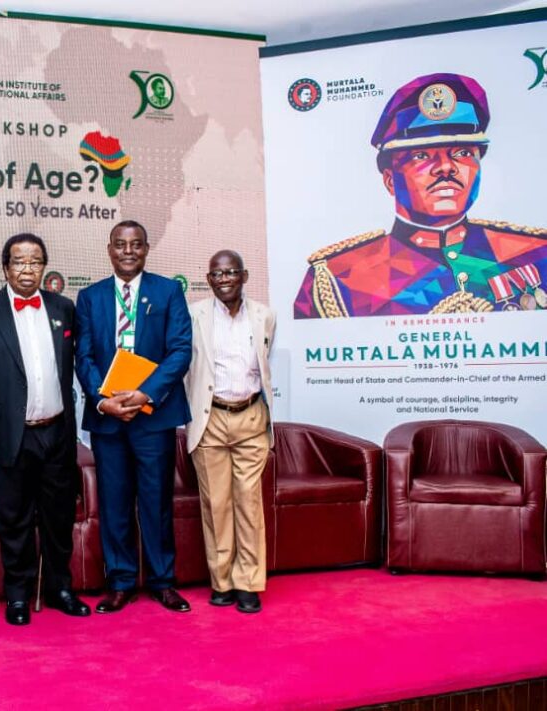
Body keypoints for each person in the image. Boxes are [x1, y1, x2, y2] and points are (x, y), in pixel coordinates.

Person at [295, 72, 547, 317]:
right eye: (421, 156)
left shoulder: (535, 253)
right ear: (390, 180)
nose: (446, 167)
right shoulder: (339, 276)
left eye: (462, 153)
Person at [0, 233, 90, 626]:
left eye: (35, 261)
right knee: (13, 520)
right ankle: (17, 596)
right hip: (7, 435)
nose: (27, 268)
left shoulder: (64, 309)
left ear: (44, 267)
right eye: (19, 261)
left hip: (56, 432)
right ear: (5, 267)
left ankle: (60, 588)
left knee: (57, 518)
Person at [75, 220, 193, 614]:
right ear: (109, 249)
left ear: (146, 249)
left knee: (156, 502)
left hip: (152, 416)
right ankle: (121, 582)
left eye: (136, 244)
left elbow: (180, 351)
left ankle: (162, 581)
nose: (128, 251)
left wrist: (145, 393)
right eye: (121, 245)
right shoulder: (89, 297)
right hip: (109, 418)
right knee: (115, 502)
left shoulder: (168, 291)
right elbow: (84, 356)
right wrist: (101, 398)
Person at [185, 251, 276, 614]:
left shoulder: (265, 315)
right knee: (217, 505)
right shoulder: (195, 315)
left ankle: (248, 583)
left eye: (231, 272)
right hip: (210, 419)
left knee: (248, 503)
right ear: (208, 280)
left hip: (251, 418)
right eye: (217, 274)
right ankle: (221, 582)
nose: (225, 279)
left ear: (244, 275)